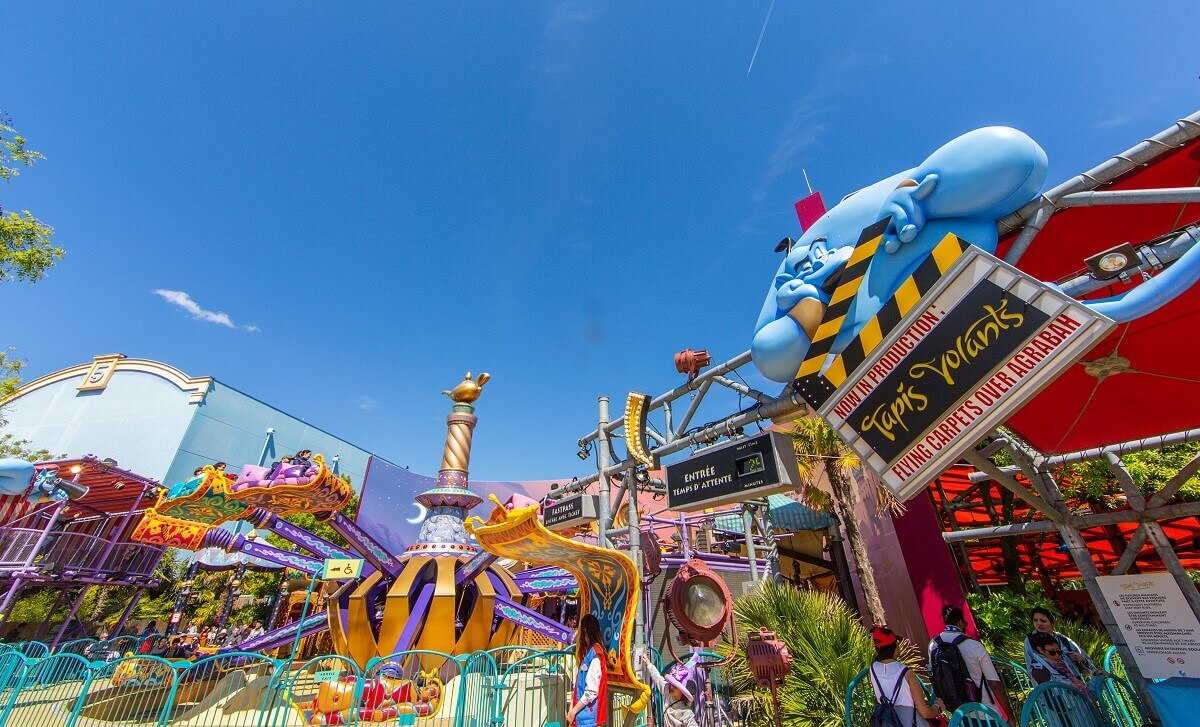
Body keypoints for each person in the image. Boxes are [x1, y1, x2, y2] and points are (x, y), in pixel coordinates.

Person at [929, 606, 1013, 720]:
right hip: (985, 713)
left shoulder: (934, 645)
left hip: (959, 714)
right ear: (960, 622)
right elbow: (995, 684)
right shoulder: (975, 646)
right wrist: (1010, 717)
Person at [869, 626, 944, 727]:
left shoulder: (873, 669)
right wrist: (938, 707)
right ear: (895, 648)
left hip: (886, 721)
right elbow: (925, 712)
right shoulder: (905, 672)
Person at [566, 614, 607, 727]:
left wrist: (574, 710)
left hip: (589, 716)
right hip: (583, 715)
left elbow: (592, 691)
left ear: (584, 630)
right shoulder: (588, 651)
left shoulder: (595, 654)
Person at [1023, 608, 1092, 674]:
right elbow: (1030, 665)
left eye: (1043, 621)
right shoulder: (1030, 640)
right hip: (1050, 682)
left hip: (1073, 680)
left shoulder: (1063, 640)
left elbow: (1089, 662)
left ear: (1052, 623)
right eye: (1035, 620)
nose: (1039, 623)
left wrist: (1082, 659)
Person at [640, 652, 700, 727]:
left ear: (683, 692)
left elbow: (692, 724)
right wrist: (649, 664)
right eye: (671, 684)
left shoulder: (685, 711)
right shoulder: (667, 691)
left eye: (675, 686)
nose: (671, 687)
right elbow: (658, 678)